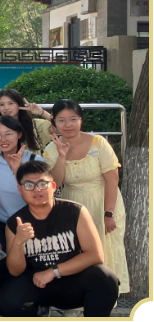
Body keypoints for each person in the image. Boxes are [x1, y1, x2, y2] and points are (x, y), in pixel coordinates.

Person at [0, 161, 120, 317]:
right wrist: (18, 242)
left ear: (53, 186)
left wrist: (53, 271)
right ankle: (40, 313)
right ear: (20, 190)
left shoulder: (75, 211)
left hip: (71, 278)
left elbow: (95, 255)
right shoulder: (15, 222)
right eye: (29, 185)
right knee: (7, 302)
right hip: (36, 281)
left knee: (106, 278)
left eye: (42, 184)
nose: (37, 189)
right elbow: (15, 271)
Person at [43, 99, 129, 293]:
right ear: (54, 123)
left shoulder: (98, 143)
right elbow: (55, 183)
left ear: (81, 120)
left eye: (73, 119)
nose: (68, 124)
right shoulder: (51, 149)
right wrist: (62, 156)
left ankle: (107, 296)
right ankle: (79, 299)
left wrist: (109, 213)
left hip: (103, 201)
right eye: (61, 120)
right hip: (73, 205)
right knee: (77, 251)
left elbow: (112, 179)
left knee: (106, 250)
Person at [0, 115, 43, 314]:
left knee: (26, 271)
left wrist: (17, 171)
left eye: (8, 134)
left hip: (31, 225)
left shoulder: (35, 160)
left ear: (19, 135)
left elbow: (37, 198)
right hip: (0, 223)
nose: (3, 139)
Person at [0, 89, 54, 154]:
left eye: (11, 103)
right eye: (1, 105)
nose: (6, 108)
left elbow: (59, 128)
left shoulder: (34, 125)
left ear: (19, 104)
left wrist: (42, 113)